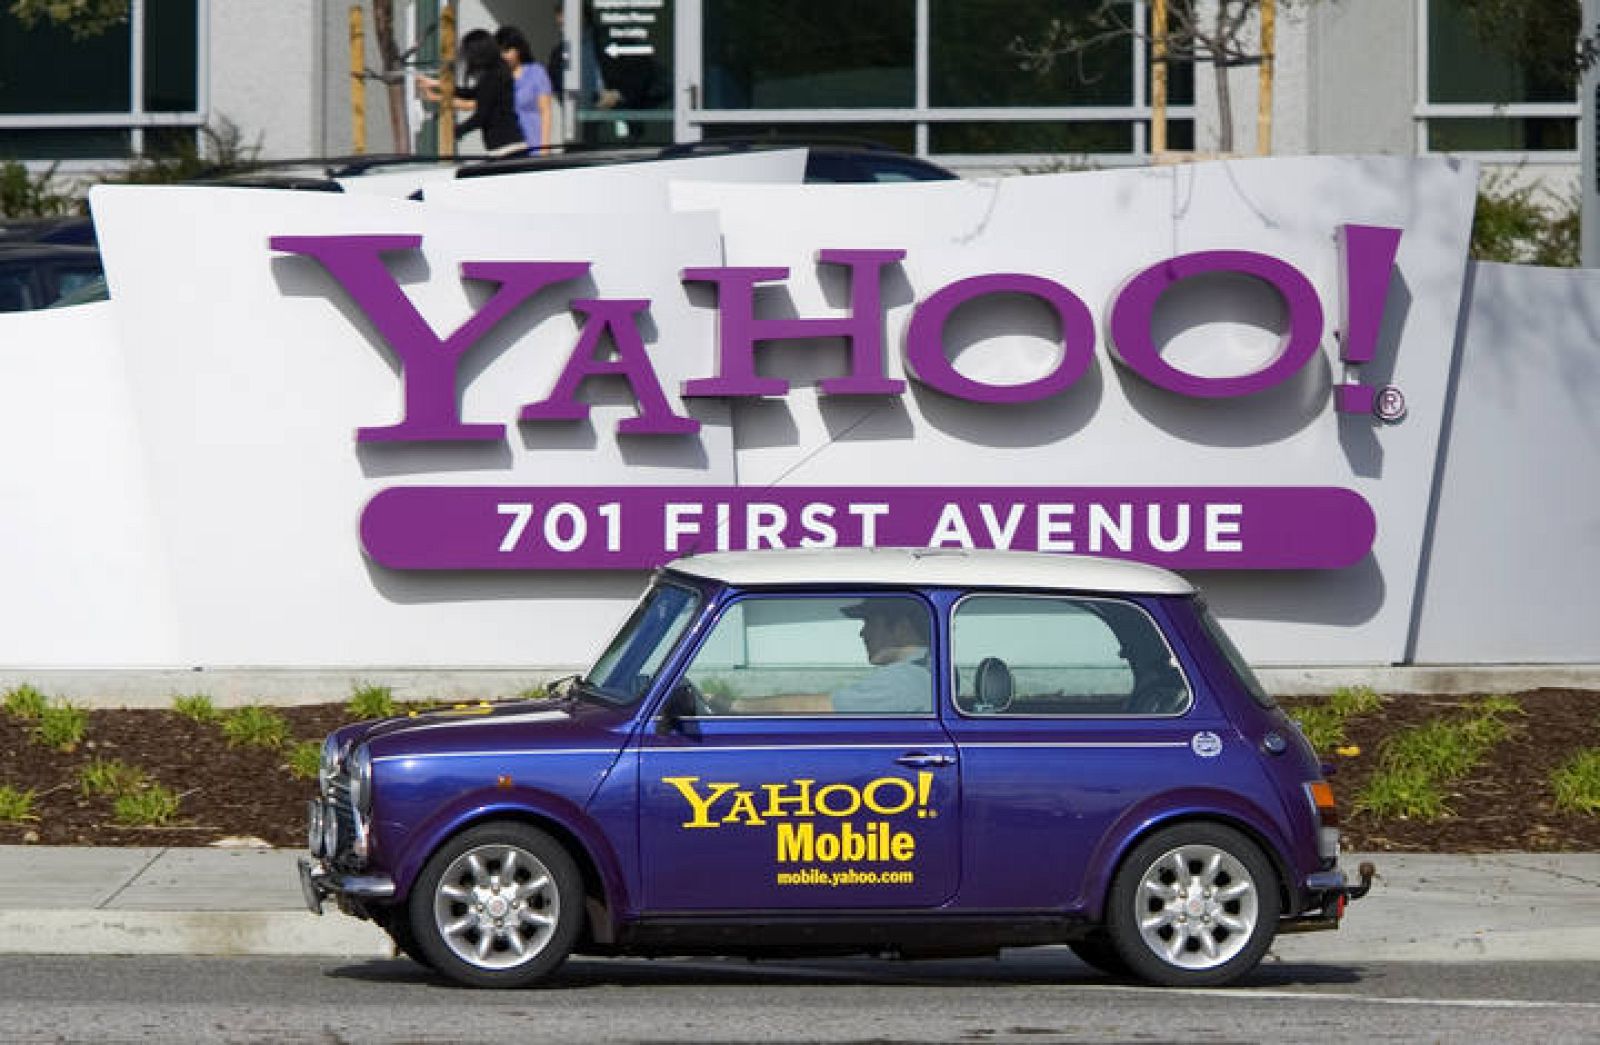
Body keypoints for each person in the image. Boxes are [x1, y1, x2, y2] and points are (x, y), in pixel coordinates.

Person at [720, 600, 932, 715]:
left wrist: (736, 706)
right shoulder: (927, 670)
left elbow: (813, 708)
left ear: (902, 628)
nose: (862, 633)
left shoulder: (904, 679)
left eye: (871, 623)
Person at [416, 29, 524, 156]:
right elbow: (472, 93)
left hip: (506, 147)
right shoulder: (498, 72)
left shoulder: (494, 77)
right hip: (508, 144)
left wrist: (456, 131)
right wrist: (436, 84)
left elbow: (481, 116)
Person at [494, 25, 555, 152]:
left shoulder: (536, 73)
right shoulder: (496, 78)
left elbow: (545, 111)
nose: (503, 56)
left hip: (533, 144)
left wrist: (545, 148)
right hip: (507, 148)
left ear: (518, 49)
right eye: (500, 52)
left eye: (507, 50)